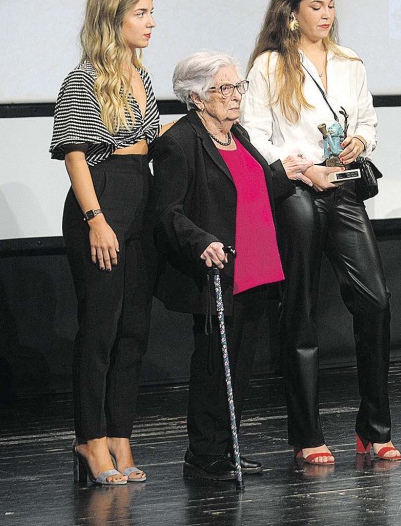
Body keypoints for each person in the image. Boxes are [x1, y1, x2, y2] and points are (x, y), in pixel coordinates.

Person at [240, 0, 400, 464]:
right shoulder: (269, 66)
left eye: (331, 4)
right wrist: (302, 169)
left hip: (342, 186)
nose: (327, 14)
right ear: (291, 11)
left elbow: (368, 121)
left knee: (375, 301)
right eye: (316, 5)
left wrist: (360, 141)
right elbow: (253, 134)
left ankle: (373, 428)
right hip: (297, 190)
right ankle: (307, 435)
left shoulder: (349, 61)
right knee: (301, 309)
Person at [151, 51, 313, 481]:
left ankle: (228, 448)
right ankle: (203, 456)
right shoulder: (179, 142)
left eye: (237, 86)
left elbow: (252, 187)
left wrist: (284, 173)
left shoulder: (236, 134)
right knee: (213, 366)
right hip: (217, 271)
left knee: (239, 367)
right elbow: (166, 212)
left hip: (255, 266)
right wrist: (201, 241)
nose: (236, 95)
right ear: (196, 98)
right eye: (224, 88)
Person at [50, 0, 160, 485]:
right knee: (100, 329)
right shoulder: (83, 79)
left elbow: (147, 138)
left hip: (141, 199)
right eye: (141, 13)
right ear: (112, 19)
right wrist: (96, 220)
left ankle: (120, 435)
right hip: (101, 199)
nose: (151, 22)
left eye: (151, 12)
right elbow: (75, 155)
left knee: (134, 330)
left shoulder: (140, 73)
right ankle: (90, 440)